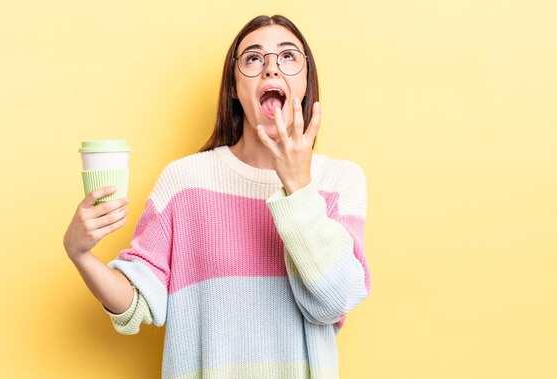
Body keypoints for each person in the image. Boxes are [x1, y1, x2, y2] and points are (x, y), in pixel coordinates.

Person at [63, 14, 371, 379]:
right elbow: (138, 302)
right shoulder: (184, 182)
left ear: (305, 83)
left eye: (288, 57)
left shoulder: (340, 180)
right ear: (234, 87)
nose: (271, 68)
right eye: (254, 58)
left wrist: (299, 189)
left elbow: (336, 301)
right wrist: (79, 253)